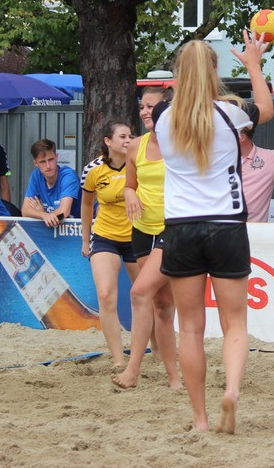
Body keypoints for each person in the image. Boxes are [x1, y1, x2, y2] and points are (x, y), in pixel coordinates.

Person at [154, 31, 274, 433]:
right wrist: (254, 64)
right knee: (235, 324)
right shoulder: (229, 113)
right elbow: (266, 109)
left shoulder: (162, 117)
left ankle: (200, 419)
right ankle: (233, 391)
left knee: (189, 327)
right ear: (214, 72)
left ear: (177, 74)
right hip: (225, 224)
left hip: (181, 227)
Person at [112, 86, 180, 391]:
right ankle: (174, 378)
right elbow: (130, 185)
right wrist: (129, 195)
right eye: (141, 106)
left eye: (149, 105)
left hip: (172, 230)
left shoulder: (180, 145)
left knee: (140, 293)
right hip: (142, 228)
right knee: (160, 305)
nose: (143, 111)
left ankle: (132, 371)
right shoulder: (135, 146)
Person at [80, 120, 138, 368]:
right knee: (105, 295)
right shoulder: (93, 170)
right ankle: (117, 358)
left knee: (148, 298)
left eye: (130, 136)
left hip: (138, 236)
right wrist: (85, 240)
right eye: (122, 136)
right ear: (108, 141)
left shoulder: (139, 165)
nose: (128, 140)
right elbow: (85, 204)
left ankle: (156, 347)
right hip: (105, 236)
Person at [239, 125, 274, 223]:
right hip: (219, 227)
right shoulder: (220, 158)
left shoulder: (268, 158)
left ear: (242, 137)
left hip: (253, 230)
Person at [21, 138, 81, 225]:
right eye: (42, 162)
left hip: (81, 226)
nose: (48, 166)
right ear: (35, 163)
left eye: (51, 160)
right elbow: (25, 210)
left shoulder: (68, 176)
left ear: (56, 157)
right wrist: (43, 215)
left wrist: (45, 214)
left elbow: (64, 212)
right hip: (59, 228)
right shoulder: (36, 175)